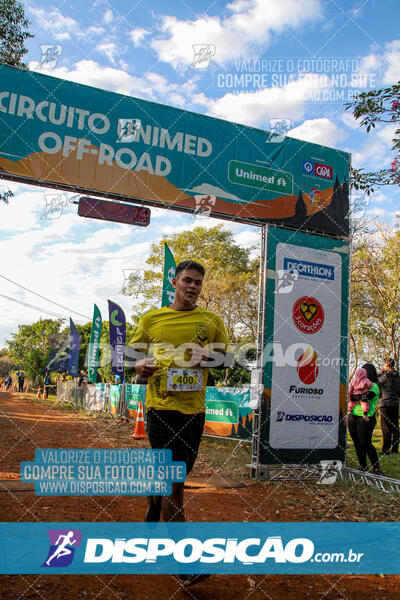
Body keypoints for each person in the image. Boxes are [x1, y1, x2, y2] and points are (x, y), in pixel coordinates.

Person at [130, 260, 230, 577]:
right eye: (187, 280)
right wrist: (138, 366)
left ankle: (153, 504)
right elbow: (132, 354)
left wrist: (210, 357)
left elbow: (227, 359)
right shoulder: (152, 318)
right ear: (174, 282)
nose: (193, 287)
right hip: (160, 410)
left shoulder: (211, 321)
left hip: (194, 413)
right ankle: (184, 563)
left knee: (174, 478)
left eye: (198, 282)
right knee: (176, 484)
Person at [347, 363, 382, 474]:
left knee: (365, 442)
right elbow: (351, 397)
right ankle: (363, 466)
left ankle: (376, 467)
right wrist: (356, 396)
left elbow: (365, 398)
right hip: (352, 416)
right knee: (357, 442)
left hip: (366, 418)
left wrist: (355, 396)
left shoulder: (374, 386)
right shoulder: (357, 384)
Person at [378, 358, 400, 455]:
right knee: (395, 426)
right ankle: (395, 449)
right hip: (395, 403)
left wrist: (380, 373)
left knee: (385, 427)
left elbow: (376, 382)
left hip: (385, 403)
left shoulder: (385, 375)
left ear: (387, 365)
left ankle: (385, 449)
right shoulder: (398, 376)